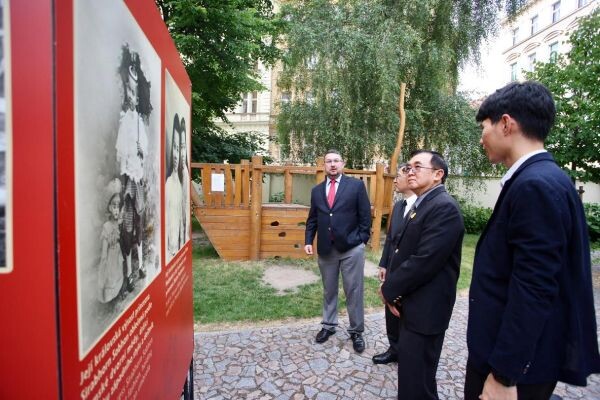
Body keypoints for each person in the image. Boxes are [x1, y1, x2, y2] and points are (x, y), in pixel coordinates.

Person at [465, 81, 600, 400]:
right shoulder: (544, 177)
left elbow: (534, 287)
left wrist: (503, 375)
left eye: (483, 127)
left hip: (515, 370)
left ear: (506, 123)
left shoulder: (535, 186)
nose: (481, 138)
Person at [379, 149, 464, 399]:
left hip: (427, 310)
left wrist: (389, 290)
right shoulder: (423, 203)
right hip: (413, 305)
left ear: (438, 174)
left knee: (418, 381)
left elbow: (424, 261)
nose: (409, 171)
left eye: (417, 167)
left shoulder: (443, 208)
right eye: (408, 167)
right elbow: (400, 250)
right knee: (411, 375)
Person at [304, 149, 371, 353]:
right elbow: (313, 218)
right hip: (326, 248)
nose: (332, 164)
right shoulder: (317, 190)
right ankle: (328, 326)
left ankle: (356, 331)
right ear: (324, 165)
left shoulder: (356, 186)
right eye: (328, 161)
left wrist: (361, 240)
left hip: (351, 248)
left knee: (354, 290)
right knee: (329, 290)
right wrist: (309, 240)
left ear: (343, 163)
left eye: (336, 161)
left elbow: (365, 216)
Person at [372, 163, 416, 365]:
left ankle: (407, 352)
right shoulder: (399, 206)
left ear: (410, 178)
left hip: (410, 273)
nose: (395, 180)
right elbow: (390, 238)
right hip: (392, 268)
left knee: (407, 312)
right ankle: (394, 348)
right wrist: (383, 264)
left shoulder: (422, 206)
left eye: (398, 176)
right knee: (391, 313)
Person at [116, 43, 151, 291]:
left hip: (137, 180)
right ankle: (127, 270)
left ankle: (138, 267)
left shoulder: (138, 121)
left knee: (138, 224)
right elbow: (121, 154)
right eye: (129, 88)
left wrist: (141, 150)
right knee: (127, 226)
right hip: (129, 181)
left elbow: (144, 152)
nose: (132, 95)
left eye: (135, 90)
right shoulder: (125, 121)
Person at [97, 179, 124, 303]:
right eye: (114, 206)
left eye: (118, 206)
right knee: (110, 277)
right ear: (109, 207)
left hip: (116, 258)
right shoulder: (106, 227)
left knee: (117, 274)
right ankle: (107, 292)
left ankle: (117, 291)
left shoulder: (117, 223)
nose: (117, 209)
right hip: (109, 261)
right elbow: (103, 256)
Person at [166, 114, 183, 259]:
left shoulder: (180, 183)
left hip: (178, 250)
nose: (177, 155)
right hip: (170, 251)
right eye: (175, 148)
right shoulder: (169, 184)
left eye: (181, 148)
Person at [179, 117, 190, 247]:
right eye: (178, 147)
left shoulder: (185, 173)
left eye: (183, 147)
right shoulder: (172, 179)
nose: (181, 153)